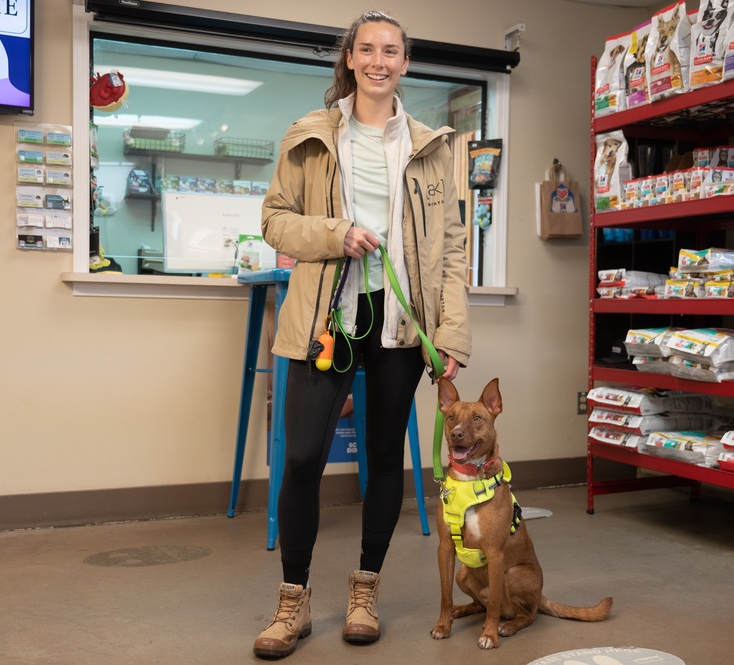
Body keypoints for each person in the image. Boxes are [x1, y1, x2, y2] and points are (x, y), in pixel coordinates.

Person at [253, 9, 471, 659]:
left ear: (405, 63)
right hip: (328, 320)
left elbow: (451, 248)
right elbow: (274, 221)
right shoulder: (311, 136)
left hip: (403, 325)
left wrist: (452, 332)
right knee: (300, 457)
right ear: (350, 58)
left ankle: (364, 590)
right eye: (368, 49)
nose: (380, 60)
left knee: (383, 459)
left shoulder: (432, 147)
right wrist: (333, 234)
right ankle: (293, 601)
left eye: (393, 51)